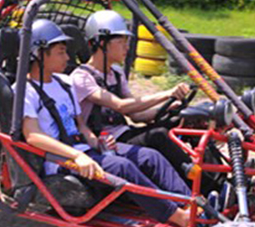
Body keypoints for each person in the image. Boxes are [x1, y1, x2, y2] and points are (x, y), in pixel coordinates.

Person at [21, 18, 192, 227]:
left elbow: (80, 124)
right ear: (38, 54)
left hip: (84, 150)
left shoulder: (64, 83)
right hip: (59, 160)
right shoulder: (24, 91)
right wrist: (77, 156)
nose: (67, 57)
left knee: (151, 156)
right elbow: (32, 136)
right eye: (60, 52)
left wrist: (96, 142)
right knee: (123, 167)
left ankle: (192, 205)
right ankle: (178, 217)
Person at [71, 9, 195, 183]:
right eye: (121, 42)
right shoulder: (81, 77)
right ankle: (203, 189)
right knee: (157, 136)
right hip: (105, 141)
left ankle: (216, 178)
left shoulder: (116, 72)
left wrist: (168, 108)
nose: (127, 48)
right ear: (101, 43)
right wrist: (167, 93)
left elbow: (136, 116)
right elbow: (121, 106)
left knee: (183, 122)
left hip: (125, 133)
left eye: (127, 42)